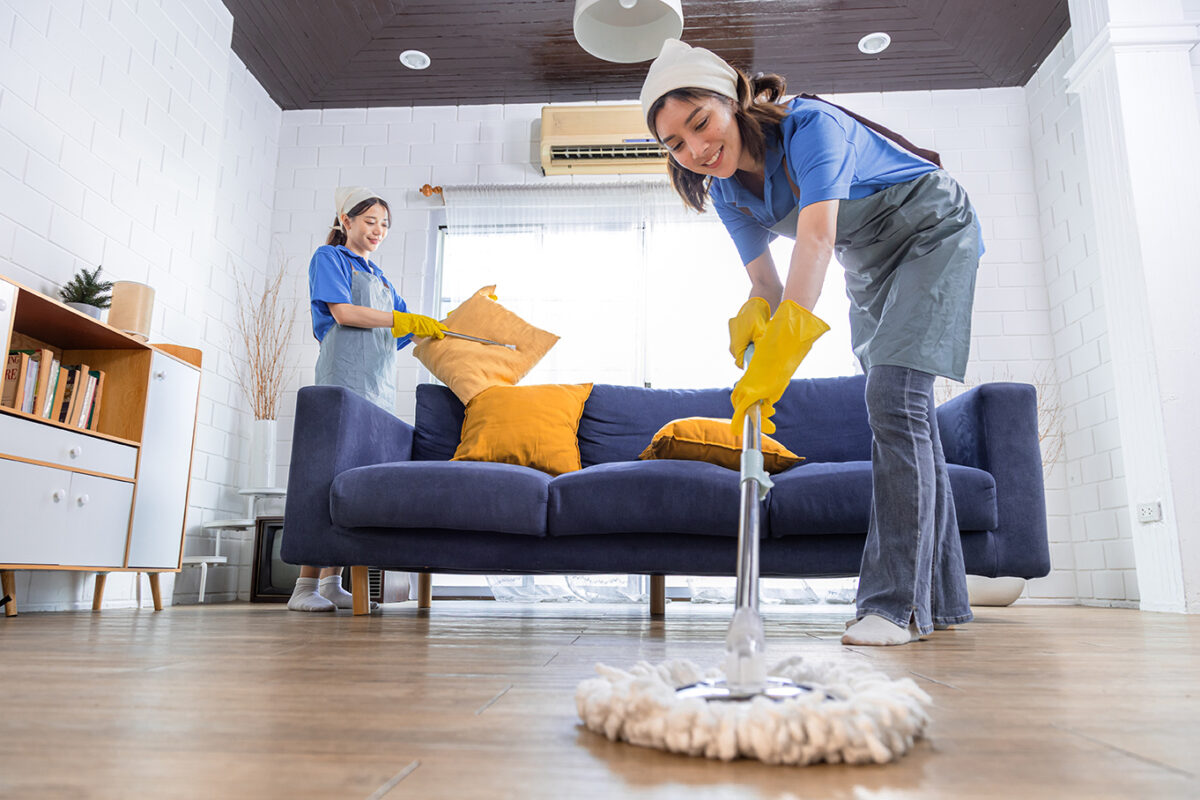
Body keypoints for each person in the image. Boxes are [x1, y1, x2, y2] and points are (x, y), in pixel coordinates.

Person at [640, 40, 981, 646]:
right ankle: (940, 601)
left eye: (700, 122)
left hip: (931, 232)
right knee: (909, 414)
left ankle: (893, 607)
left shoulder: (811, 127)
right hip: (870, 263)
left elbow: (817, 241)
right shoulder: (726, 191)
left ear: (733, 100)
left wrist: (782, 358)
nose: (696, 150)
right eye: (675, 144)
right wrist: (755, 320)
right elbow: (767, 284)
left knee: (894, 398)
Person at [288, 186, 446, 612]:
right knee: (326, 477)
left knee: (355, 483)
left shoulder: (381, 280)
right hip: (341, 380)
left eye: (385, 224)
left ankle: (332, 582)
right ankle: (303, 587)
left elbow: (406, 333)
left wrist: (448, 329)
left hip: (377, 386)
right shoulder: (330, 258)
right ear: (347, 221)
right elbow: (344, 313)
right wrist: (402, 319)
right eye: (371, 221)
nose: (378, 230)